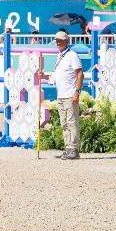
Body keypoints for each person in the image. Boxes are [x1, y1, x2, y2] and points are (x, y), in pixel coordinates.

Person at [41, 29, 83, 159]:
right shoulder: (59, 56)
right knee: (64, 122)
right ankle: (68, 147)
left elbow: (80, 74)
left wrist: (77, 92)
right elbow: (57, 76)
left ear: (66, 41)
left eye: (60, 41)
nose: (58, 43)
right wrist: (44, 76)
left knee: (71, 121)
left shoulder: (72, 55)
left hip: (70, 94)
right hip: (61, 94)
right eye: (57, 41)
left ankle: (74, 149)